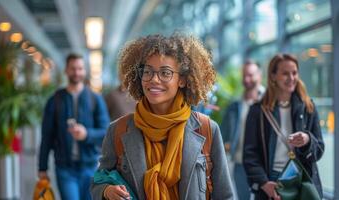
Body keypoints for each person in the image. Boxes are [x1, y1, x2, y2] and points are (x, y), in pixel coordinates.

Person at [91, 34, 234, 200]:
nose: (154, 79)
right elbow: (98, 181)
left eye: (165, 73)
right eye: (147, 72)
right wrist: (106, 191)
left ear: (182, 80)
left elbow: (225, 195)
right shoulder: (119, 130)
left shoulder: (206, 129)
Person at [243, 53, 324, 200]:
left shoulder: (308, 107)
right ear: (273, 76)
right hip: (272, 180)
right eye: (285, 73)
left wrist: (307, 139)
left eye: (294, 73)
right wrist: (264, 183)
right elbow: (250, 154)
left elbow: (319, 149)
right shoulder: (258, 111)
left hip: (300, 178)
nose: (291, 78)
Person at [38, 53, 110, 200]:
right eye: (73, 68)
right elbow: (47, 136)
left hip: (91, 167)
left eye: (80, 68)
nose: (77, 72)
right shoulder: (55, 100)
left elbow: (106, 133)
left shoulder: (95, 99)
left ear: (84, 71)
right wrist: (42, 167)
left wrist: (87, 134)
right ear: (66, 70)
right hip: (65, 168)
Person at [221, 60, 264, 200]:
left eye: (250, 75)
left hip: (263, 164)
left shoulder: (269, 103)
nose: (247, 79)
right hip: (240, 164)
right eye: (244, 75)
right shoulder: (235, 106)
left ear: (260, 75)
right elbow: (223, 134)